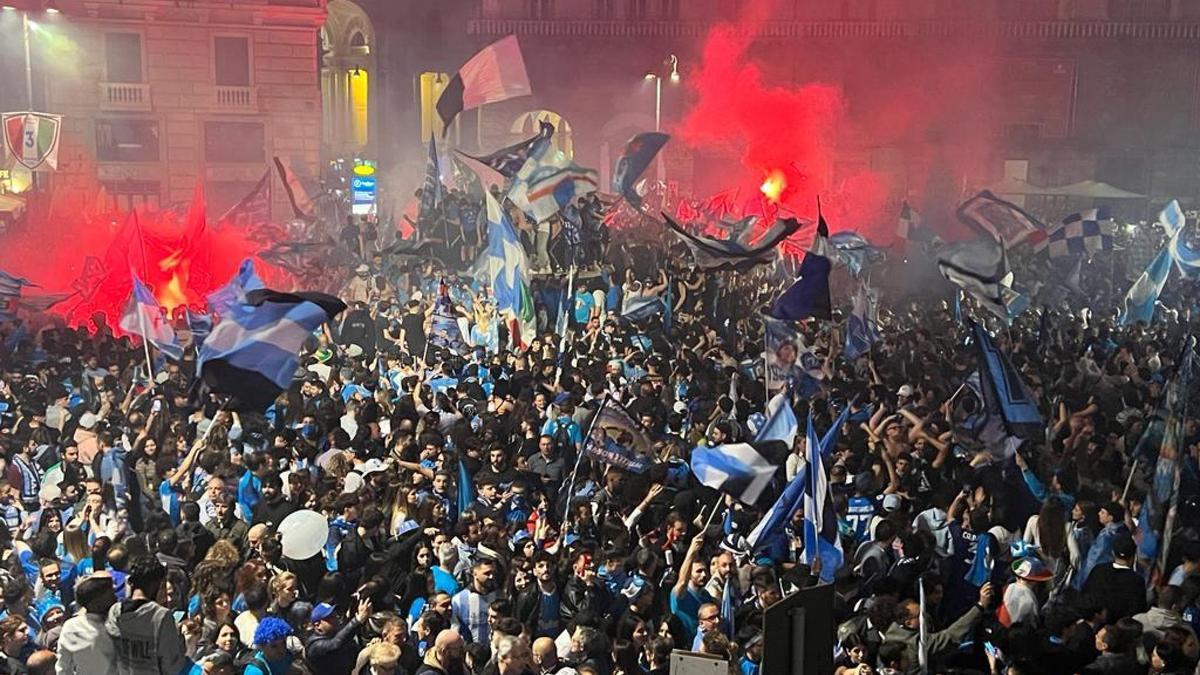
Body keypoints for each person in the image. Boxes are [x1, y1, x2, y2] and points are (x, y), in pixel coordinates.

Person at [105, 557, 189, 675]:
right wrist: (179, 640)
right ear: (156, 584)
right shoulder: (161, 616)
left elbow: (109, 654)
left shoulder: (115, 611)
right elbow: (171, 666)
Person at [55, 574, 117, 674]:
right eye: (110, 597)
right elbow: (63, 667)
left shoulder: (119, 622)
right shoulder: (72, 627)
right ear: (96, 603)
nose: (115, 599)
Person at [304, 598, 371, 674]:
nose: (336, 618)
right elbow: (335, 645)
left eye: (335, 615)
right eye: (331, 617)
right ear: (318, 625)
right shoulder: (314, 646)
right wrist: (358, 620)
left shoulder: (336, 631)